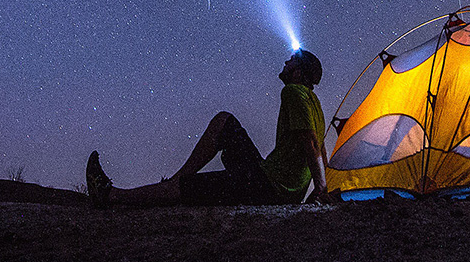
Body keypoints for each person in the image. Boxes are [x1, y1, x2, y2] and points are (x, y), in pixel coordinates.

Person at [85, 49, 329, 206]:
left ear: (298, 71)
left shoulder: (293, 92)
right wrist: (324, 185)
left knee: (186, 190)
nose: (286, 61)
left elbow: (310, 141)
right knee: (225, 121)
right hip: (271, 179)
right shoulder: (314, 103)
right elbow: (321, 146)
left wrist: (321, 188)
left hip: (269, 187)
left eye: (291, 61)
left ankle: (112, 196)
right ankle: (178, 178)